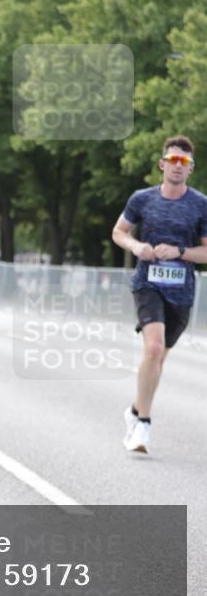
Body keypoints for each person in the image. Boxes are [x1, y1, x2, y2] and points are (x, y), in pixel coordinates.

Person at [112, 135, 207, 454]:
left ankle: (136, 410)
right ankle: (143, 426)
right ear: (162, 163)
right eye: (172, 160)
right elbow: (118, 232)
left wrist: (180, 250)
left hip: (181, 292)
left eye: (184, 162)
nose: (177, 166)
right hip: (147, 284)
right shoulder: (142, 199)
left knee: (158, 358)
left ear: (190, 168)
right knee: (152, 349)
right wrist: (139, 247)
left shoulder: (200, 204)